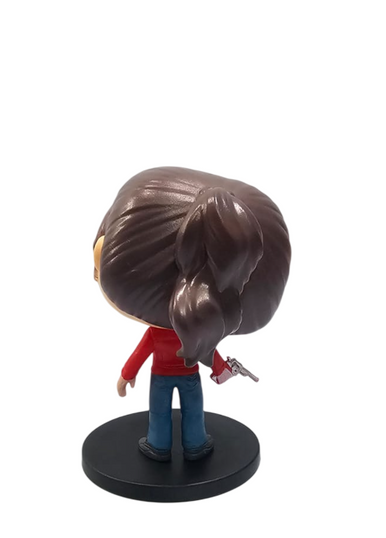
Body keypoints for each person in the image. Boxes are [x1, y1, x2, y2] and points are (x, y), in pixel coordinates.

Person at [93, 166, 291, 461]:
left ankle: (159, 446)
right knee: (193, 411)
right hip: (190, 377)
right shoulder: (202, 334)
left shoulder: (157, 334)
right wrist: (221, 371)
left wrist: (126, 375)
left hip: (161, 377)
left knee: (159, 412)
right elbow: (210, 354)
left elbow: (140, 354)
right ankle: (195, 444)